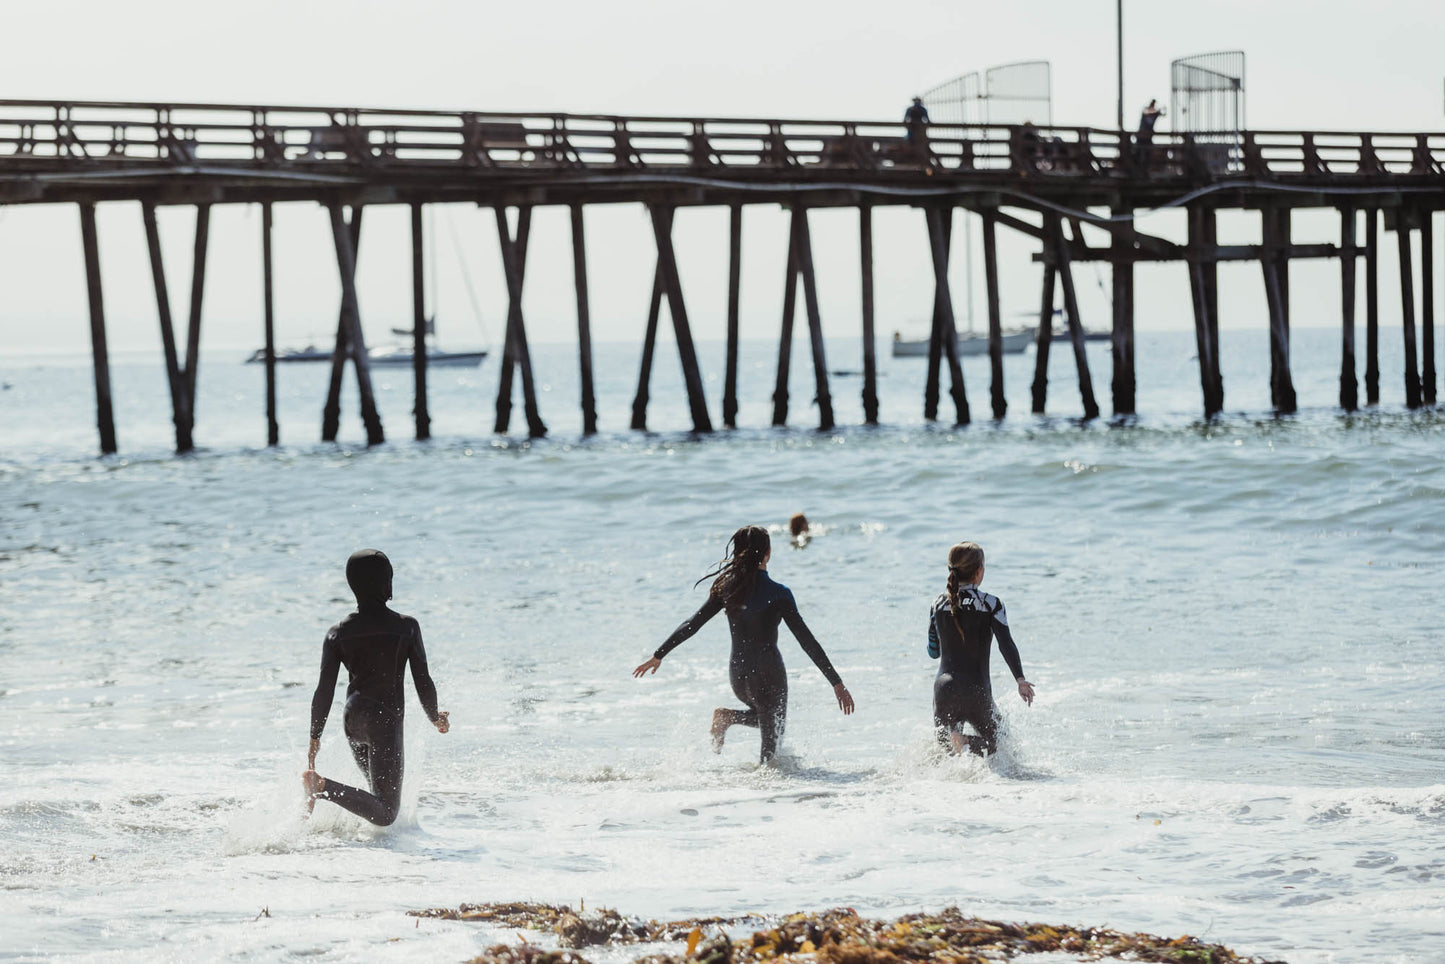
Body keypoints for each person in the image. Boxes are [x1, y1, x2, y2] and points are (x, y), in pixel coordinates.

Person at [633, 525, 854, 763]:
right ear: (768, 552)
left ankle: (728, 718)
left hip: (738, 675)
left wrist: (659, 654)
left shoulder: (727, 588)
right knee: (771, 753)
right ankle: (765, 791)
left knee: (766, 720)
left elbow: (692, 624)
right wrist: (836, 682)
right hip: (768, 674)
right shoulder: (779, 593)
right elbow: (806, 640)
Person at [303, 549, 450, 826]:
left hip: (353, 720)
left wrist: (314, 737)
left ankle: (380, 849)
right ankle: (320, 786)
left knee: (376, 795)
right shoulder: (406, 628)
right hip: (384, 721)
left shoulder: (338, 632)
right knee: (385, 813)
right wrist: (434, 717)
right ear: (387, 584)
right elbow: (423, 681)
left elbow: (324, 690)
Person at [927, 542, 1034, 756]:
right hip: (976, 691)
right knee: (998, 746)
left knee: (947, 753)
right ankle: (965, 740)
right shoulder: (991, 604)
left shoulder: (938, 604)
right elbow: (1006, 643)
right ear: (979, 571)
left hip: (943, 690)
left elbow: (933, 651)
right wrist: (1020, 679)